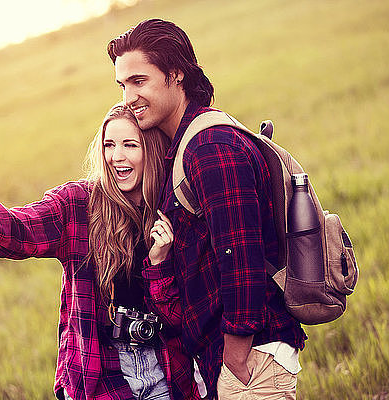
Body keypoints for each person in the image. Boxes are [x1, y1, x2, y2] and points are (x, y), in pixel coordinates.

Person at [0, 103, 199, 400]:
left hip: (168, 371)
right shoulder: (78, 204)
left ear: (152, 150)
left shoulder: (175, 210)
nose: (116, 156)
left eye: (130, 145)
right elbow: (18, 230)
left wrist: (159, 265)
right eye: (109, 145)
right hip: (98, 375)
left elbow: (184, 317)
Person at [107, 19, 308, 399]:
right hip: (230, 354)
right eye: (122, 85)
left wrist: (235, 355)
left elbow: (241, 253)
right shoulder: (183, 145)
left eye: (139, 81)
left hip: (251, 357)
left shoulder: (210, 146)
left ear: (177, 74)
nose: (128, 97)